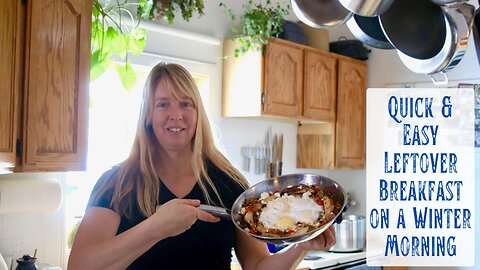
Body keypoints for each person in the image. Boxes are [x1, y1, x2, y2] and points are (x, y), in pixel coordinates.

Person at [67, 62, 336, 270]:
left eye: (186, 104)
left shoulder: (229, 183)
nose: (176, 114)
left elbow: (258, 265)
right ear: (148, 115)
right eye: (163, 104)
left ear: (198, 115)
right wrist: (156, 228)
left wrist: (301, 248)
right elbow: (80, 265)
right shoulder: (116, 183)